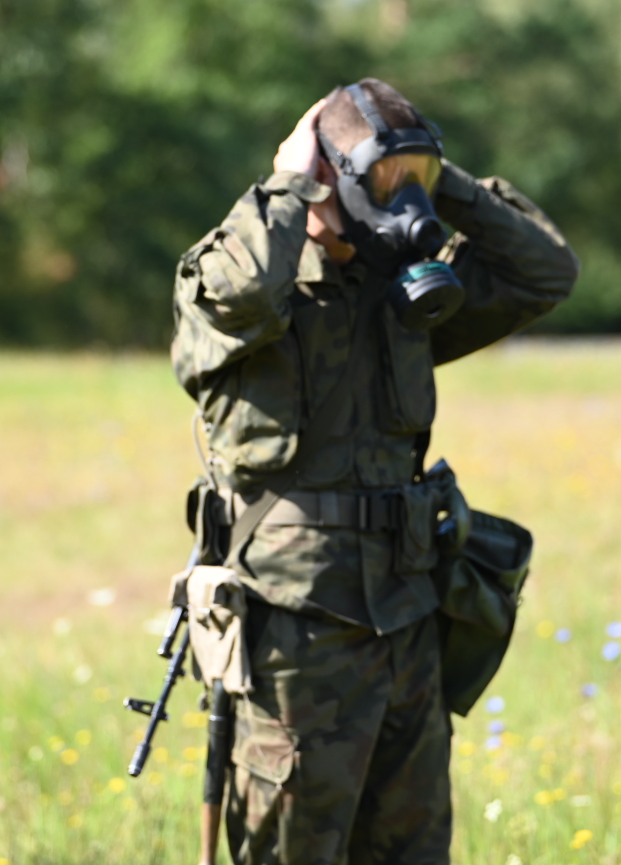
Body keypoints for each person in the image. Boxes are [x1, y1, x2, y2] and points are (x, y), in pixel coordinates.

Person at [172, 80, 580, 865]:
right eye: (383, 183)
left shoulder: (405, 297)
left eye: (415, 183)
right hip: (296, 640)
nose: (404, 204)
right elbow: (241, 290)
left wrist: (430, 179)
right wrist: (295, 178)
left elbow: (545, 272)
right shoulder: (243, 289)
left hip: (408, 621)